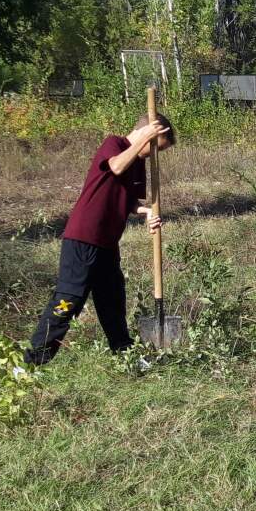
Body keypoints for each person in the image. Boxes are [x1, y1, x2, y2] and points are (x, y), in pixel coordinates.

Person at [26, 115, 173, 366]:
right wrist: (144, 140)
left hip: (107, 243)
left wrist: (146, 212)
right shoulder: (114, 144)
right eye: (154, 148)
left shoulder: (138, 163)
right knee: (68, 300)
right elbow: (115, 167)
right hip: (83, 238)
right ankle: (32, 361)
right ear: (145, 133)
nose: (152, 155)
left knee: (113, 301)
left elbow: (128, 202)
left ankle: (125, 356)